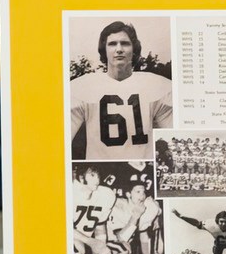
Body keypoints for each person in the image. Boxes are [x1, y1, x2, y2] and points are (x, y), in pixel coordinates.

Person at [70, 20, 172, 161]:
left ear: (134, 50)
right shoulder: (83, 87)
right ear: (104, 50)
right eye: (112, 44)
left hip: (143, 168)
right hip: (101, 168)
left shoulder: (157, 85)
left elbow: (176, 135)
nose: (119, 49)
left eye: (125, 43)